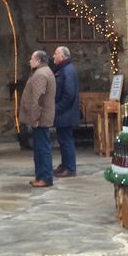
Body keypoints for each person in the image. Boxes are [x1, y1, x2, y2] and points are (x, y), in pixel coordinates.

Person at [20, 50, 56, 188]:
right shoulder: (42, 72)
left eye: (32, 58)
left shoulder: (41, 74)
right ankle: (40, 175)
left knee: (42, 148)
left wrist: (34, 118)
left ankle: (45, 177)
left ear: (38, 61)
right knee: (39, 148)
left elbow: (38, 99)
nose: (30, 61)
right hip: (41, 117)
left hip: (40, 118)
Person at [52, 46, 80, 178]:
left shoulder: (67, 70)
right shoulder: (63, 69)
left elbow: (68, 94)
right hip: (64, 113)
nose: (53, 56)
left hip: (65, 113)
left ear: (63, 56)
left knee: (66, 140)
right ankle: (65, 165)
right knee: (63, 140)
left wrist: (57, 108)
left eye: (56, 53)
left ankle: (69, 167)